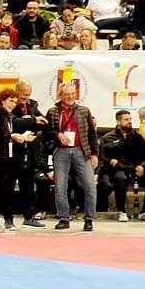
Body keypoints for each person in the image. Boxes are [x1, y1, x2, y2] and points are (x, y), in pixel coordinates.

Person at [44, 82, 99, 231]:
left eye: (72, 94)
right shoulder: (53, 111)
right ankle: (63, 217)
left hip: (81, 151)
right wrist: (57, 134)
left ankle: (89, 219)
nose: (70, 97)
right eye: (66, 94)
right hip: (60, 151)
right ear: (60, 95)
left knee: (89, 185)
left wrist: (94, 154)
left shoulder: (84, 111)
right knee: (60, 186)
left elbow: (91, 134)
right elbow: (46, 131)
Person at [0, 88, 30, 233]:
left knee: (0, 191)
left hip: (2, 157)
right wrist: (13, 136)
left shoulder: (5, 115)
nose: (12, 104)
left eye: (15, 102)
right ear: (2, 100)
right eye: (10, 101)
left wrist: (15, 137)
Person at [10, 80, 49, 228]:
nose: (26, 97)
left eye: (28, 94)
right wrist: (31, 121)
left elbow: (42, 122)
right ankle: (9, 218)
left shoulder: (32, 105)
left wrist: (31, 120)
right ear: (17, 92)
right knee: (10, 185)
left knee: (27, 186)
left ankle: (29, 216)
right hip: (14, 151)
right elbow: (14, 123)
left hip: (30, 149)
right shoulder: (11, 105)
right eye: (23, 95)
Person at [97, 111, 143, 221]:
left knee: (121, 177)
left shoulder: (136, 137)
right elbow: (102, 157)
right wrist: (110, 162)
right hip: (109, 169)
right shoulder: (108, 137)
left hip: (129, 170)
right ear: (118, 121)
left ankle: (122, 211)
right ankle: (100, 209)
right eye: (126, 119)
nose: (129, 122)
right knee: (105, 184)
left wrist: (142, 165)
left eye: (130, 119)